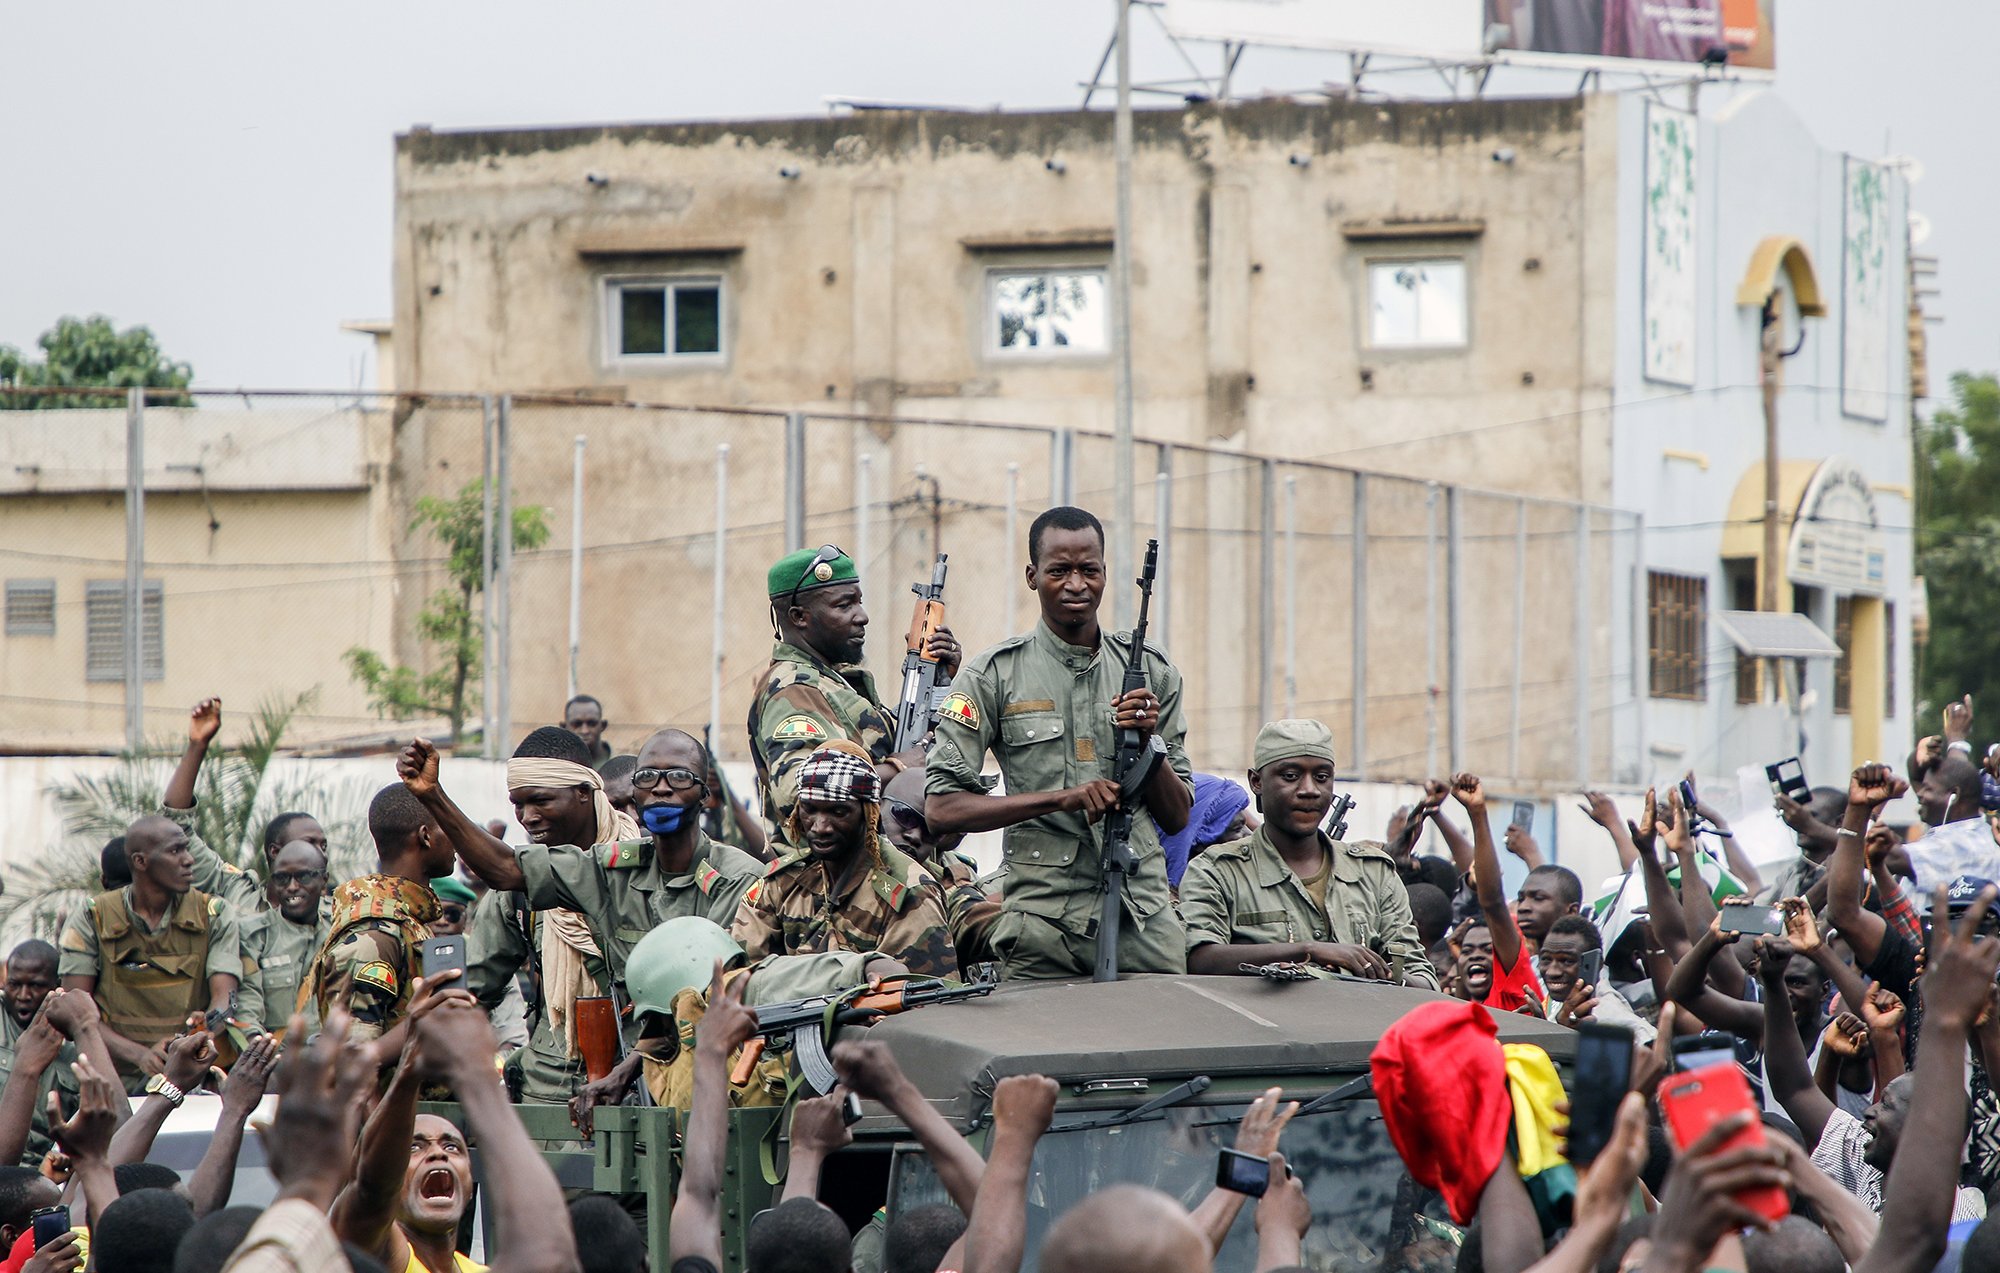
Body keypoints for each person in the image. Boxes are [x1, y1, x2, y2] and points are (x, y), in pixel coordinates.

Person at [925, 506, 1193, 980]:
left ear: (1105, 574)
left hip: (1143, 922)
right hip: (1042, 926)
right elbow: (942, 810)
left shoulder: (1153, 672)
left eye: (1089, 570)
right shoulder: (993, 676)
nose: (1076, 585)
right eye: (1059, 571)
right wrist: (1061, 799)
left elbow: (1177, 816)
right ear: (1033, 576)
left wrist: (1150, 746)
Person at [1179, 719, 1436, 987]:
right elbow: (1199, 959)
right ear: (1256, 781)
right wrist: (1308, 950)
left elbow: (1423, 980)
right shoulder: (1217, 870)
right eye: (1290, 776)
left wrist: (1374, 974)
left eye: (1322, 777)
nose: (1310, 790)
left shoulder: (1374, 873)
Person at [748, 545, 960, 836]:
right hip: (831, 877)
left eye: (859, 602)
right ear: (799, 617)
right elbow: (799, 795)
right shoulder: (793, 691)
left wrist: (938, 683)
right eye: (844, 605)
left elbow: (913, 752)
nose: (862, 616)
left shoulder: (833, 682)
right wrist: (897, 768)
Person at [732, 742, 956, 981]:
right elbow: (738, 976)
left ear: (869, 814)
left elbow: (923, 999)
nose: (820, 827)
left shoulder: (910, 892)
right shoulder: (783, 880)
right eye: (809, 809)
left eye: (838, 813)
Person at [58, 815, 240, 1093]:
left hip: (192, 1081)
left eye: (186, 849)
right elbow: (75, 1013)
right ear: (140, 862)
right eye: (175, 851)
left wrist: (190, 1042)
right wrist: (140, 1055)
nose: (189, 860)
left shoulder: (213, 914)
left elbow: (224, 1000)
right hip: (111, 1084)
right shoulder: (92, 917)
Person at [301, 784, 453, 1059]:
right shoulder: (373, 933)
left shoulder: (407, 920)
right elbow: (352, 1057)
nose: (457, 837)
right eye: (448, 827)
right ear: (425, 836)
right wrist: (428, 1021)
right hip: (383, 1101)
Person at [1445, 772, 1544, 1011]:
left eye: (1488, 950)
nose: (1476, 956)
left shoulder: (1515, 991)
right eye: (1467, 951)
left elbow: (1493, 904)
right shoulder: (1465, 1007)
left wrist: (1478, 815)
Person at [881, 767, 997, 970]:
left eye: (930, 829)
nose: (915, 836)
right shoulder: (829, 870)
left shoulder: (941, 887)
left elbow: (985, 924)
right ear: (877, 807)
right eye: (905, 816)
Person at [234, 840, 331, 1038]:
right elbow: (246, 1004)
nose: (292, 886)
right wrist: (258, 1049)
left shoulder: (341, 932)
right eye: (281, 879)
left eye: (303, 876)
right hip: (276, 1060)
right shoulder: (254, 936)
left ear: (323, 881)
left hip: (333, 1058)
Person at [1536, 914, 1654, 1042]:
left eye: (1566, 961)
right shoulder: (1559, 1000)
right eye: (1546, 959)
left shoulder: (1609, 1017)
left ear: (1596, 964)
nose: (1552, 972)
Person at [563, 695, 614, 771]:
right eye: (577, 724)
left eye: (592, 723)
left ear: (603, 725)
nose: (585, 731)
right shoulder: (556, 767)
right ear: (564, 727)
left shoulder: (622, 767)